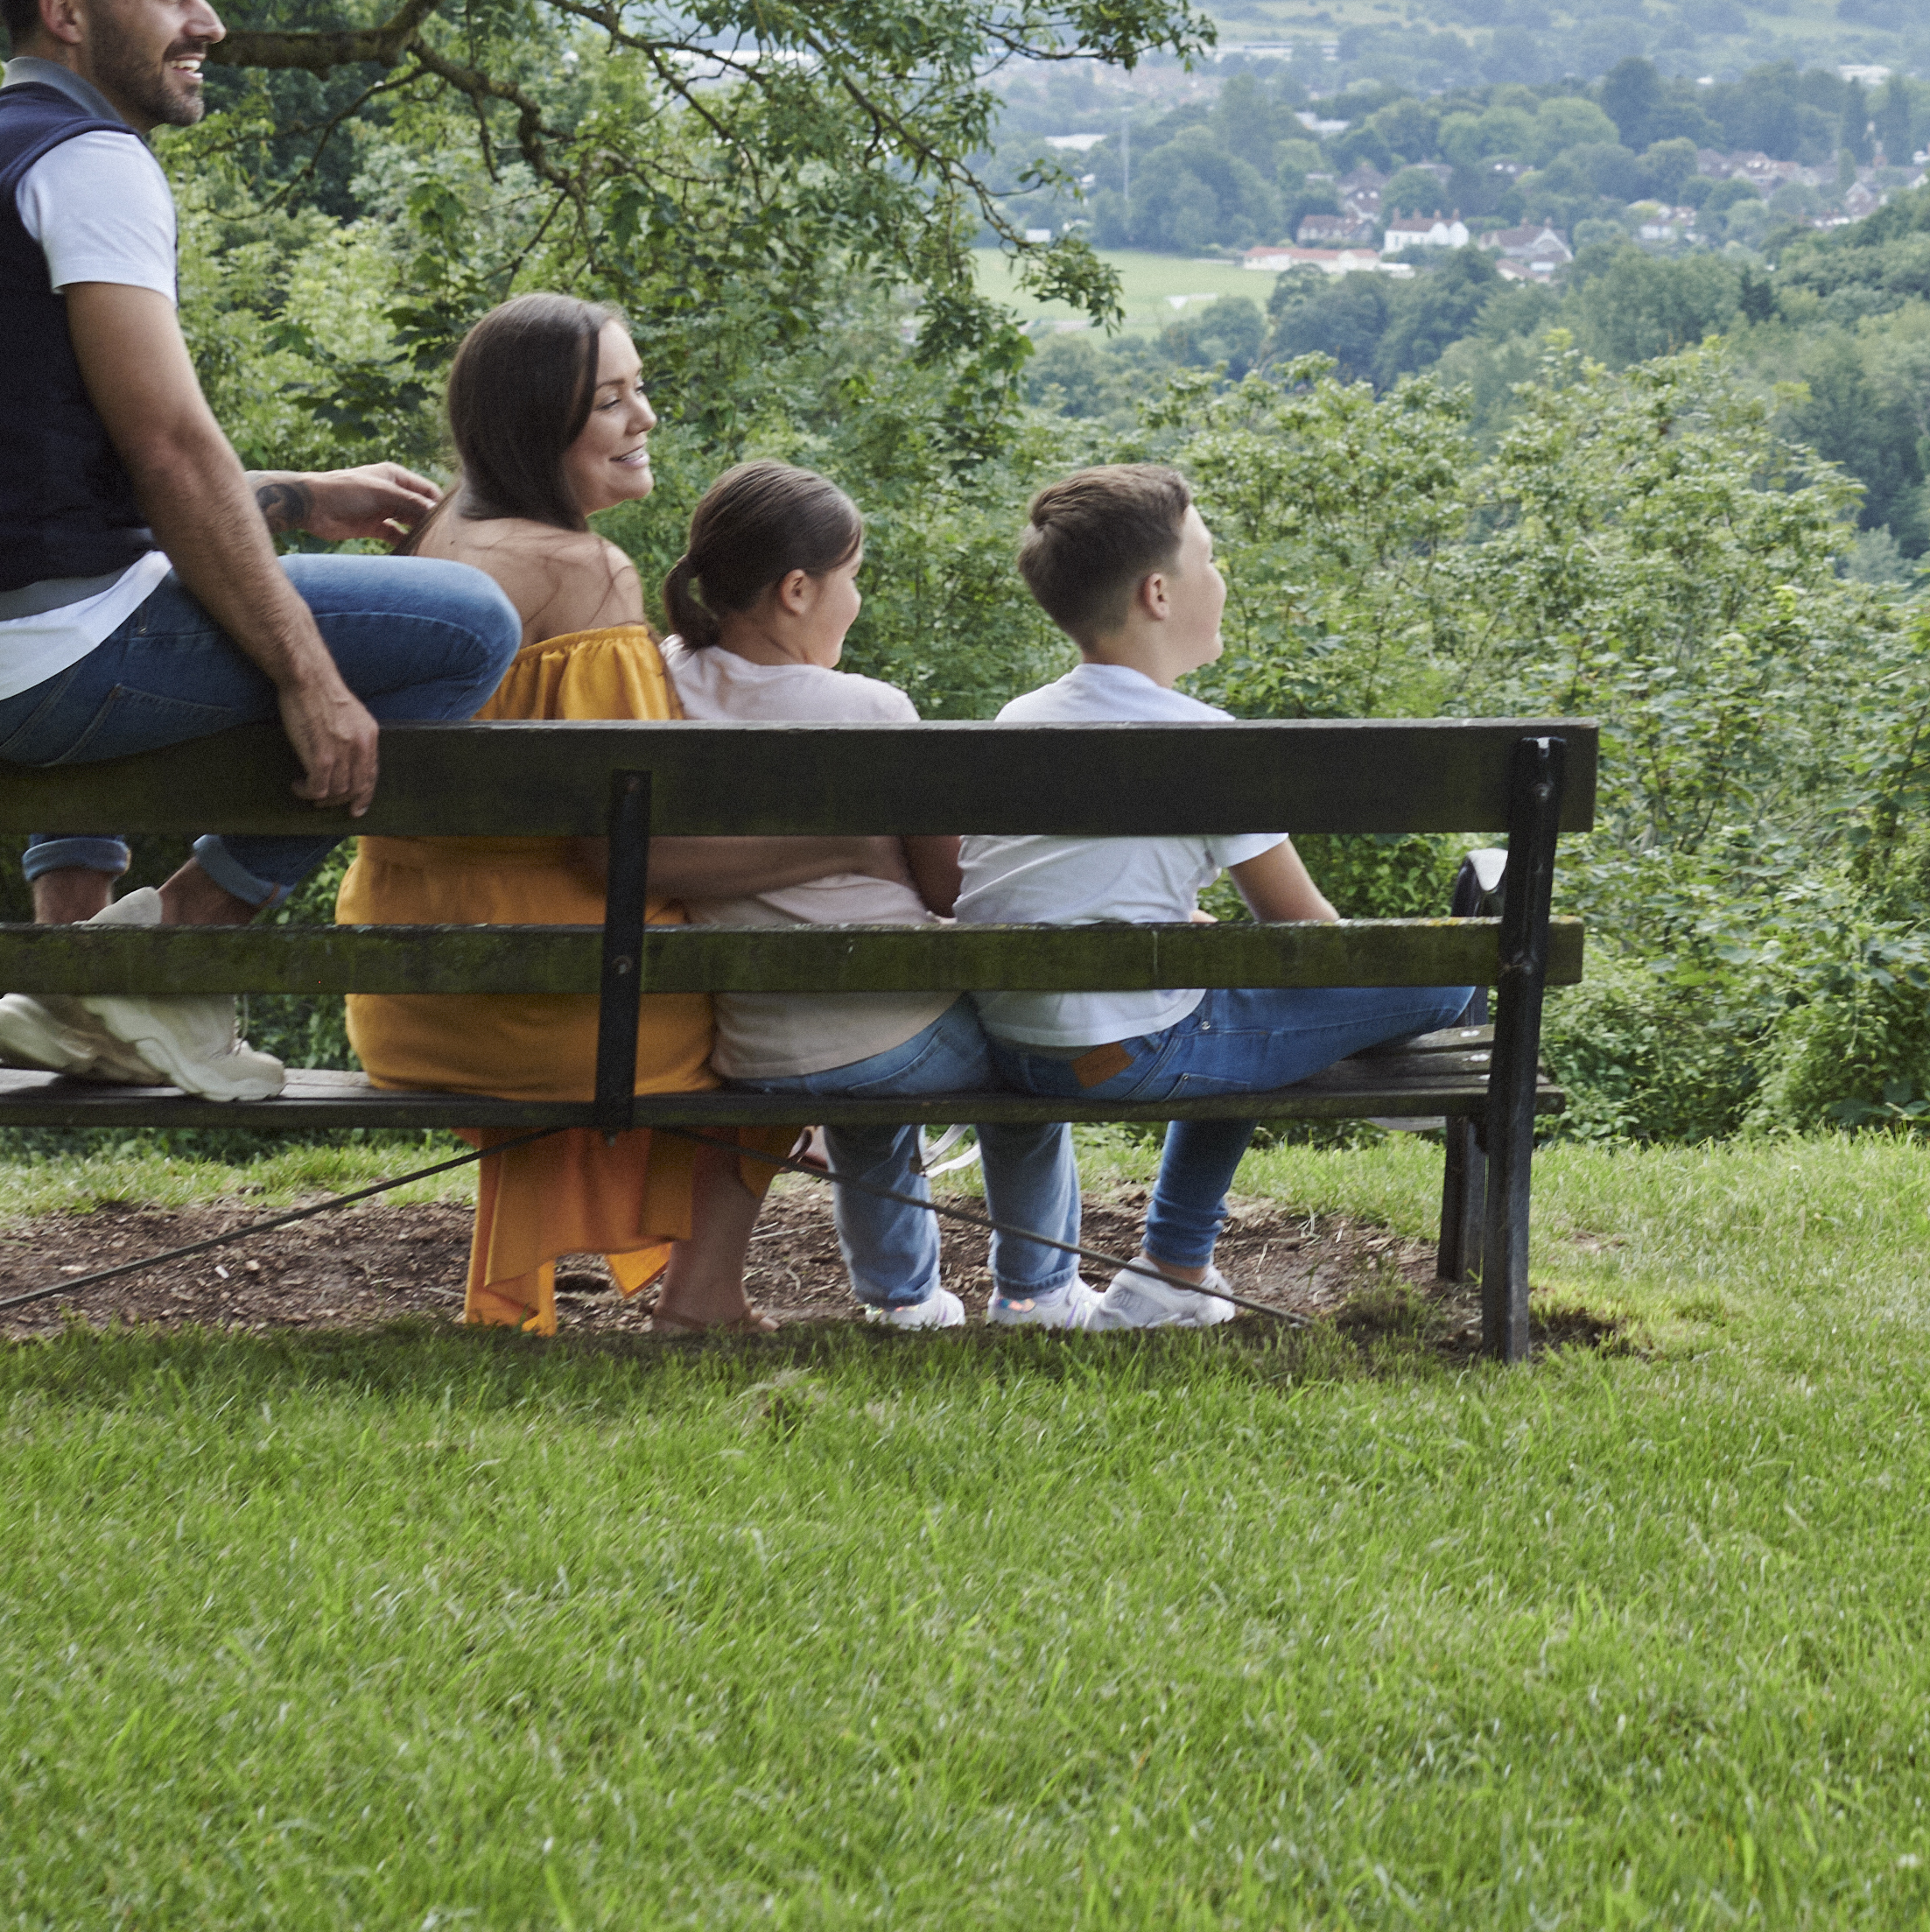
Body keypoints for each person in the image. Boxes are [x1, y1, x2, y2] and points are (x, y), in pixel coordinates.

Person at [0, 0, 504, 1099]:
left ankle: (81, 967)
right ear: (68, 15)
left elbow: (44, 467)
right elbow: (170, 452)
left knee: (173, 580)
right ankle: (165, 958)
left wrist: (294, 496)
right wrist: (311, 680)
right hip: (24, 656)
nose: (211, 25)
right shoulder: (94, 160)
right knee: (462, 629)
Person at [332, 307, 937, 1331]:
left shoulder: (437, 529)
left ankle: (706, 1287)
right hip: (550, 1011)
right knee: (766, 1021)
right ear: (536, 424)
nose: (643, 415)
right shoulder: (587, 572)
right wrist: (841, 842)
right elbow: (623, 850)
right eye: (609, 400)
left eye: (636, 387)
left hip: (407, 994)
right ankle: (705, 1296)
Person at [959, 463, 1473, 1331]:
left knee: (1228, 983)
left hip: (1014, 1041)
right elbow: (1313, 942)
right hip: (1125, 1050)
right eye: (1211, 555)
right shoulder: (1205, 744)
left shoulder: (1020, 719)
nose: (1223, 576)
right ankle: (1169, 1266)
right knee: (1447, 976)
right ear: (1159, 592)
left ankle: (1105, 1280)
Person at [657, 455, 988, 1336]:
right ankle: (1024, 1282)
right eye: (854, 579)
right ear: (797, 588)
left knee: (867, 1039)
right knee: (1038, 1037)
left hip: (751, 1036)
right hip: (884, 1029)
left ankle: (906, 1294)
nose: (857, 602)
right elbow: (951, 887)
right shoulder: (870, 709)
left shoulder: (656, 684)